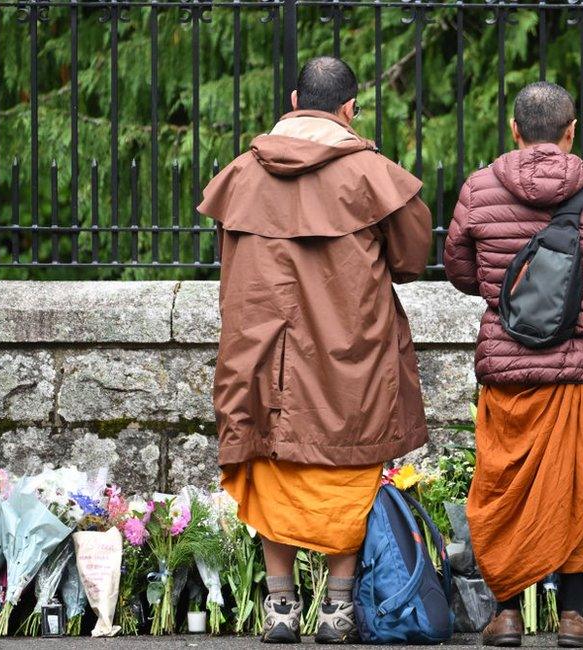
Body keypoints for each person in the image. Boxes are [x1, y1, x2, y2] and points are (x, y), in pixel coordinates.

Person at [198, 56, 432, 644]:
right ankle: (337, 609)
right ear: (349, 109)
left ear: (295, 99)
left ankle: (279, 606)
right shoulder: (372, 175)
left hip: (261, 354)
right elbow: (409, 260)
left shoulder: (242, 176)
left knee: (271, 462)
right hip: (345, 354)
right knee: (344, 467)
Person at [444, 81, 583, 648]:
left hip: (507, 368)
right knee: (578, 489)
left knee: (502, 485)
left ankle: (506, 614)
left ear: (513, 130)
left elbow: (459, 270)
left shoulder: (479, 191)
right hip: (576, 369)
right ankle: (577, 616)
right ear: (571, 131)